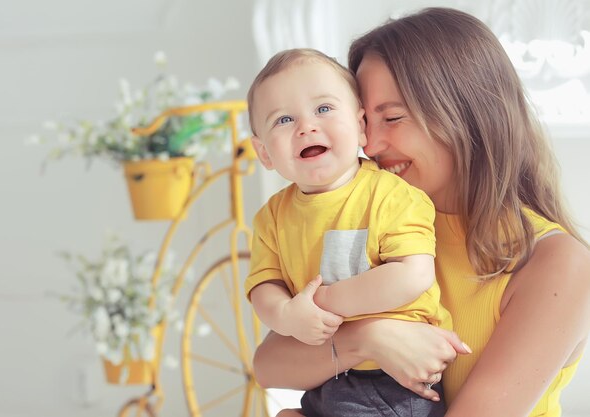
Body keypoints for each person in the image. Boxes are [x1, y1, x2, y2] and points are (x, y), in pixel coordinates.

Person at [252, 7, 590, 417]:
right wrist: (369, 338)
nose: (370, 145)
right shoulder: (371, 219)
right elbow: (270, 363)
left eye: (392, 118)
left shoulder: (557, 262)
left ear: (466, 113)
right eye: (362, 120)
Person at [245, 48, 452, 417]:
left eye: (323, 109)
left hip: (394, 377)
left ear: (360, 126)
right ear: (264, 153)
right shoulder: (272, 218)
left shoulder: (390, 194)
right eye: (284, 119)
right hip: (325, 373)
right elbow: (264, 285)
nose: (306, 126)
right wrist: (286, 316)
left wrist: (321, 304)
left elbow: (412, 274)